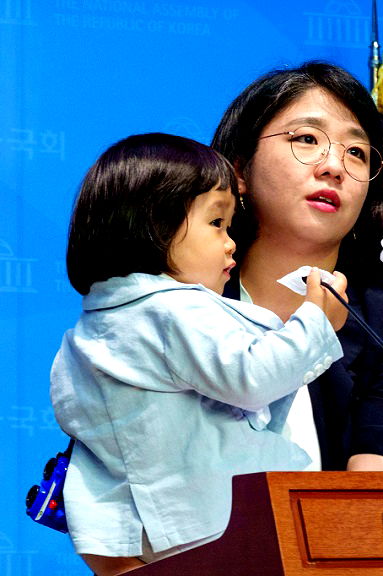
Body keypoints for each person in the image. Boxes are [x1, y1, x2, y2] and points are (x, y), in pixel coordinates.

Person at [51, 133, 348, 575]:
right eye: (217, 224)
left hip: (140, 538)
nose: (231, 243)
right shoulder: (174, 308)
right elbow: (253, 378)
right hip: (207, 529)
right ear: (156, 225)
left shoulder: (93, 325)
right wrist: (315, 320)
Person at [211, 61, 383, 472]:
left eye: (356, 152)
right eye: (306, 139)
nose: (333, 166)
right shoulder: (187, 304)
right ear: (240, 170)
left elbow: (375, 503)